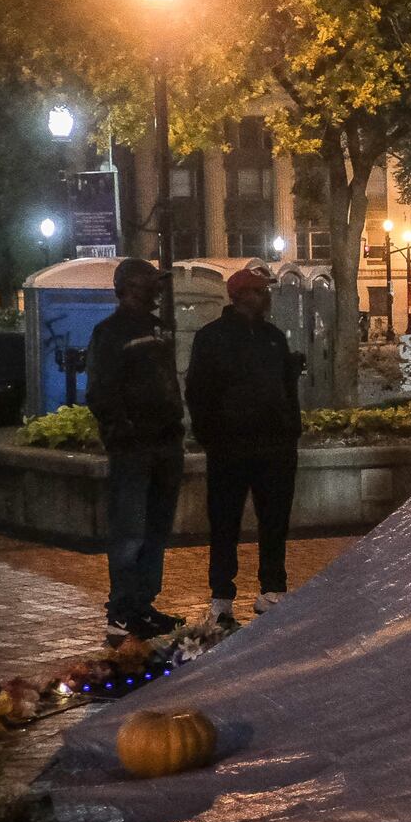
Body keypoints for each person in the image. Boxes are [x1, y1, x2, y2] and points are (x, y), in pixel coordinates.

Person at [184, 264, 304, 624]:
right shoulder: (212, 337)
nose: (267, 297)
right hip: (230, 446)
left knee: (274, 519)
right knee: (224, 522)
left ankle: (272, 587)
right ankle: (221, 595)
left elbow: (284, 389)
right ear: (240, 296)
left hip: (273, 446)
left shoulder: (272, 337)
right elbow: (198, 391)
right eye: (260, 291)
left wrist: (289, 429)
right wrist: (212, 435)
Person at [85, 258, 186, 641]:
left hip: (165, 444)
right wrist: (123, 432)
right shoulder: (109, 332)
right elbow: (101, 392)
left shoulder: (159, 329)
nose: (158, 288)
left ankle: (142, 604)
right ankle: (123, 611)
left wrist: (174, 429)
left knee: (156, 529)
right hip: (135, 448)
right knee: (130, 531)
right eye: (151, 282)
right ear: (129, 286)